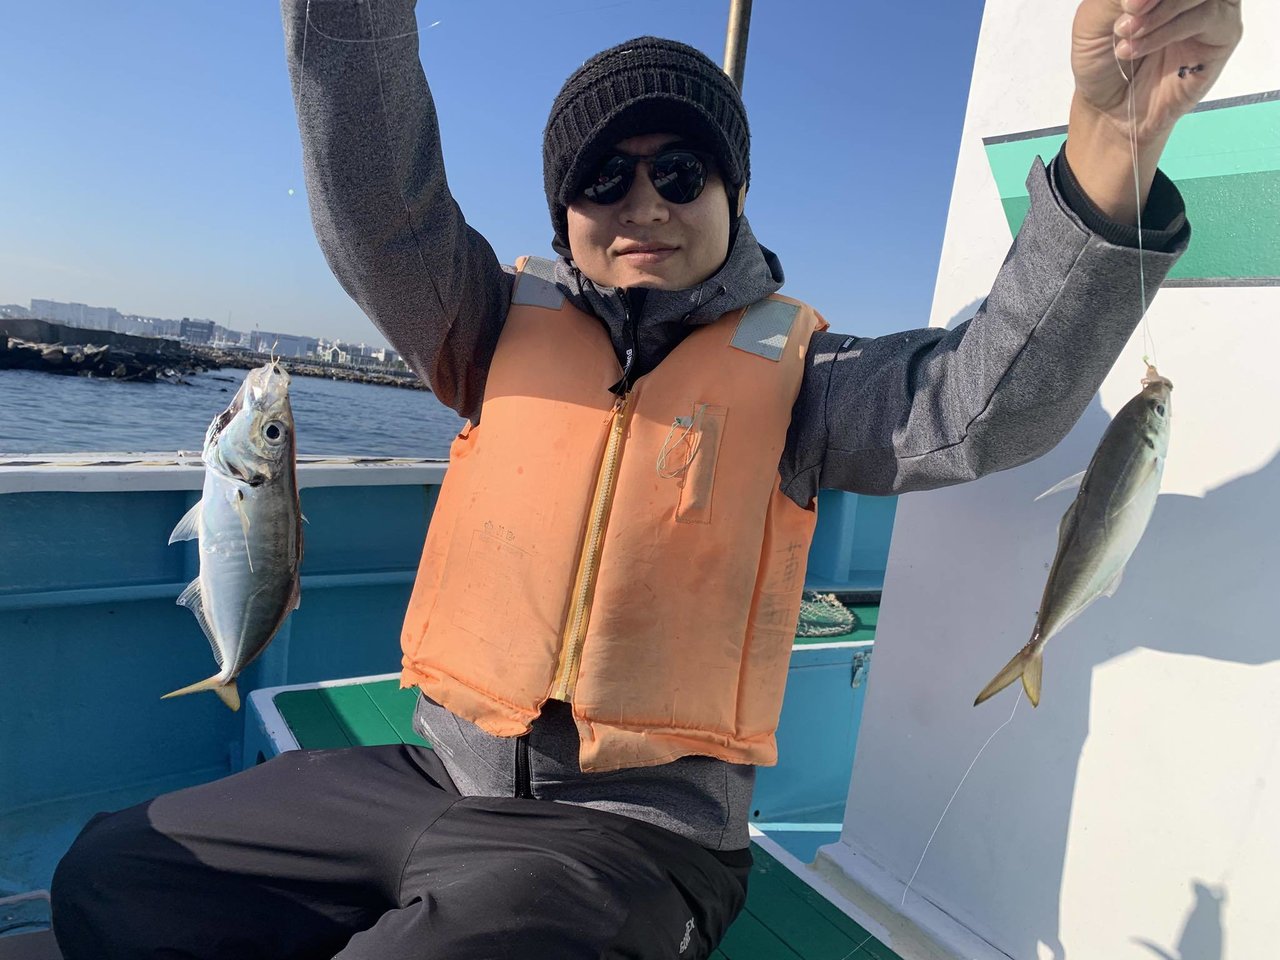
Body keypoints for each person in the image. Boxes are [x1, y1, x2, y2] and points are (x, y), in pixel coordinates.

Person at [49, 1, 1242, 957]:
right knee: (116, 878)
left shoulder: (809, 381)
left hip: (632, 839)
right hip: (434, 774)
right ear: (562, 209)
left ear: (733, 197)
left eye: (680, 172)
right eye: (603, 180)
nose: (643, 207)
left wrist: (1109, 143)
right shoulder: (481, 325)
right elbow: (378, 204)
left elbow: (988, 402)